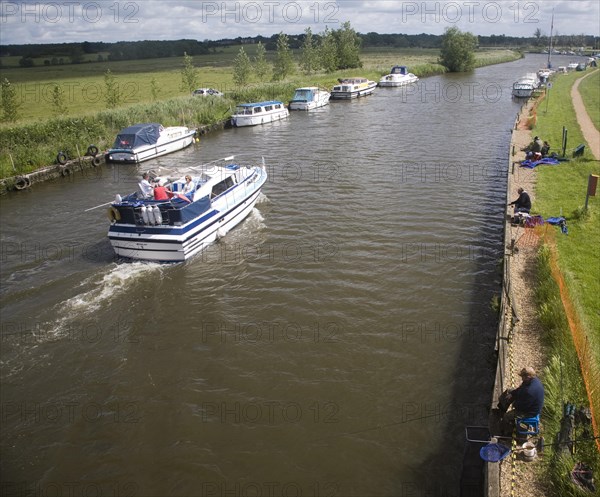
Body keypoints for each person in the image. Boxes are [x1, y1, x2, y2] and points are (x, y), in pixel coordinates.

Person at [500, 367, 544, 436]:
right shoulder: (532, 380)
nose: (521, 379)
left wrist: (514, 404)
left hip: (530, 412)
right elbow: (520, 389)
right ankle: (502, 409)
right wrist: (512, 394)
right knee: (509, 391)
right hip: (527, 402)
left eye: (522, 377)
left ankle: (507, 433)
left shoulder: (530, 391)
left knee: (506, 416)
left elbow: (523, 407)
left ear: (528, 376)